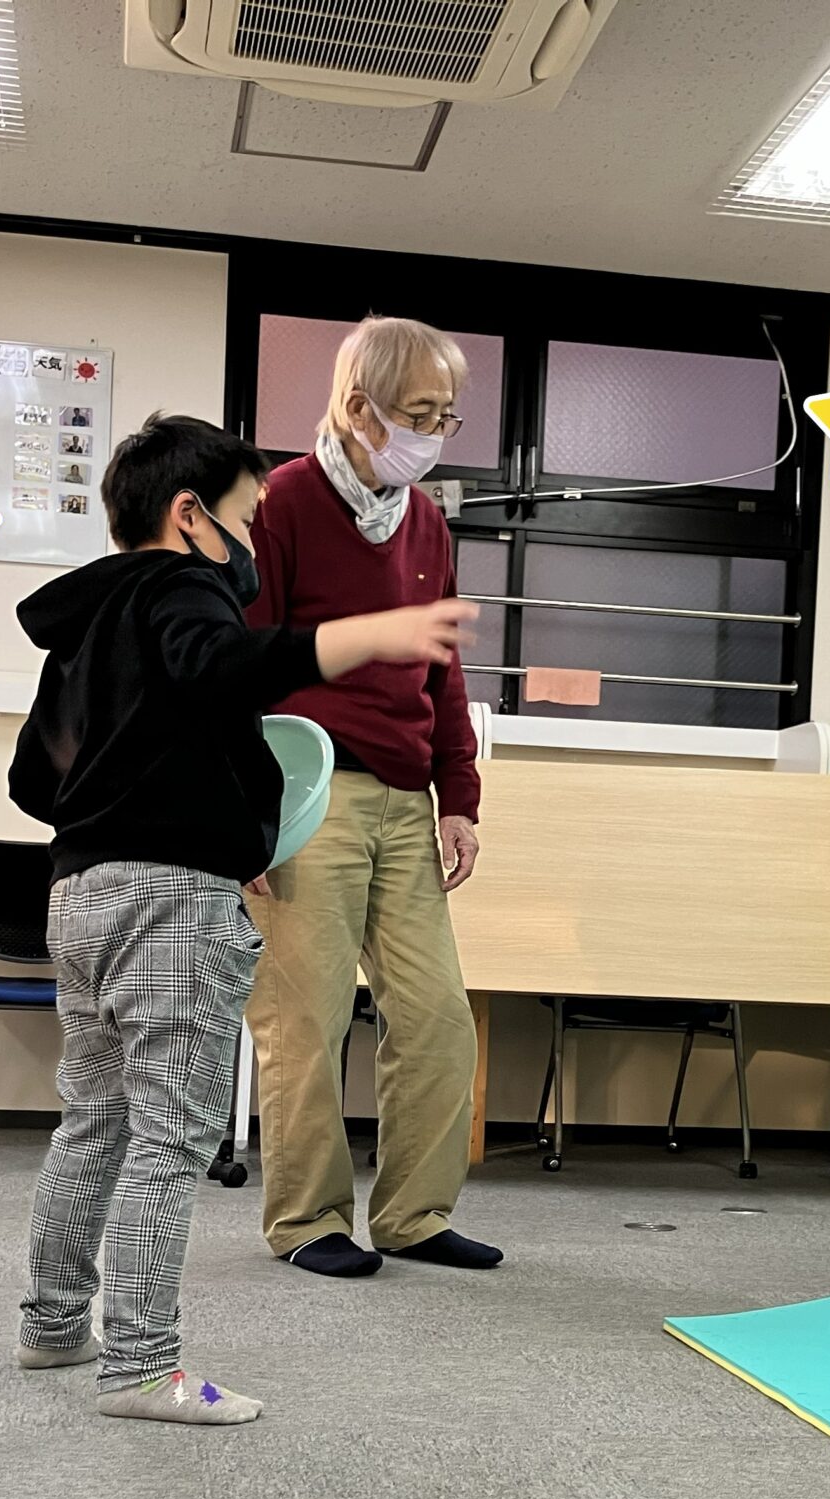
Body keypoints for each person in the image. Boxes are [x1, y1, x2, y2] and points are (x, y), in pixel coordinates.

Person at [7, 414, 473, 1425]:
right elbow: (227, 666)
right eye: (248, 519)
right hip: (171, 902)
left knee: (94, 1120)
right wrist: (369, 636)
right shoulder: (183, 589)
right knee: (171, 1139)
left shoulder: (86, 620)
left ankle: (52, 1324)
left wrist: (136, 807)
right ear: (190, 516)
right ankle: (141, 1367)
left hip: (79, 892)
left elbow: (30, 782)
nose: (255, 541)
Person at [243, 315, 498, 1278]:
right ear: (358, 406)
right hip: (309, 792)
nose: (434, 433)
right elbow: (243, 663)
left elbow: (443, 672)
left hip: (402, 794)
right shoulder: (282, 502)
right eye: (418, 414)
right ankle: (307, 1220)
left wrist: (458, 796)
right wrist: (244, 815)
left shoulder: (425, 520)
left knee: (437, 1017)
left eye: (446, 415)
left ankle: (414, 1215)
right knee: (304, 1019)